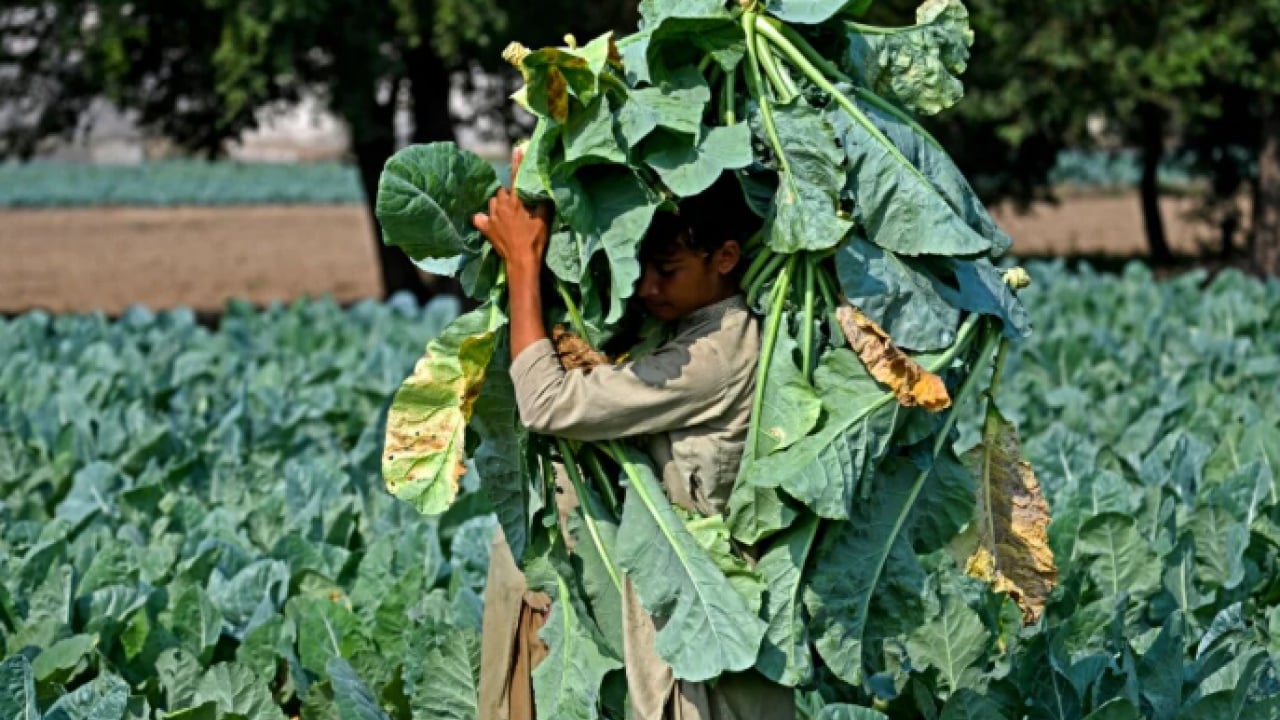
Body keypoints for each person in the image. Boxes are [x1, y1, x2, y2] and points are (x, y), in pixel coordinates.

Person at [471, 147, 795, 720]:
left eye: (667, 272)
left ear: (725, 257)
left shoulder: (714, 356)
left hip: (699, 621)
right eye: (641, 269)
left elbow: (546, 403)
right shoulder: (674, 322)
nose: (646, 289)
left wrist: (522, 264)